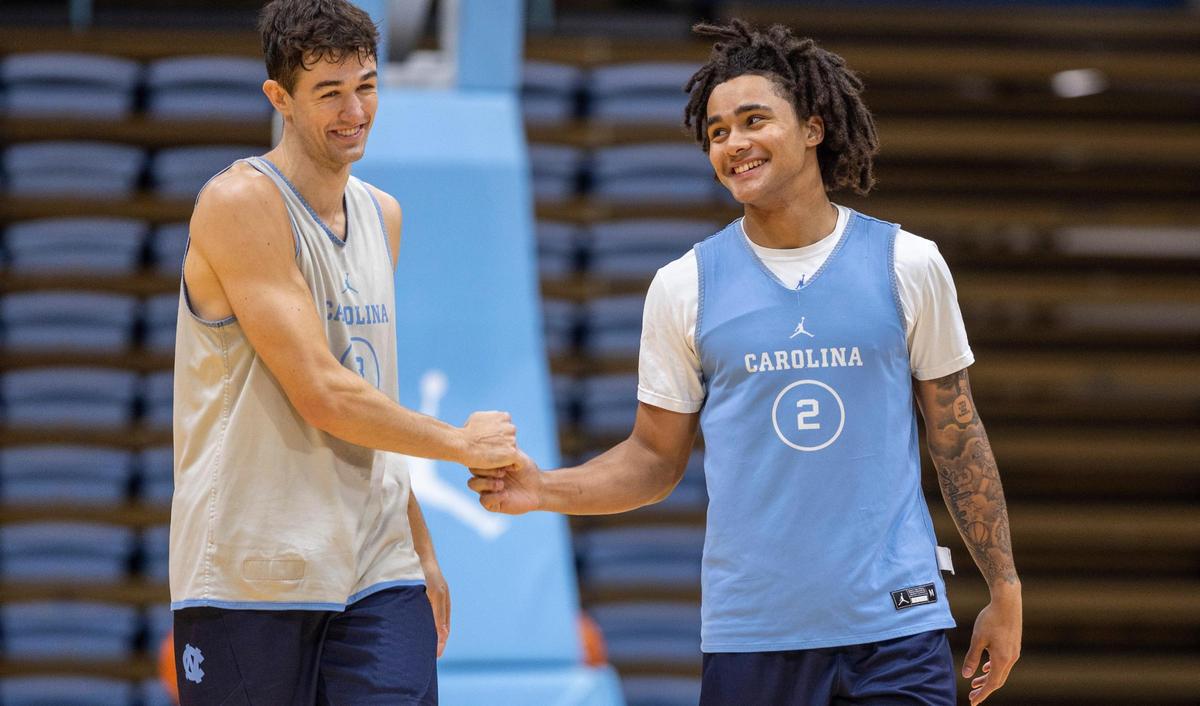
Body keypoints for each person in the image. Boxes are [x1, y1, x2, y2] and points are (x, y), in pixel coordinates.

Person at [468, 19, 1021, 706]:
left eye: (754, 120)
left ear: (813, 128)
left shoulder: (909, 264)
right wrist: (544, 489)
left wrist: (1004, 587)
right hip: (753, 637)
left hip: (896, 629)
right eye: (717, 132)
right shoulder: (684, 286)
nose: (733, 143)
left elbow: (957, 436)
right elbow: (653, 459)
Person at [169, 1, 518, 703]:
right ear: (279, 98)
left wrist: (418, 546)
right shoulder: (239, 203)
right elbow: (322, 393)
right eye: (329, 92)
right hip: (253, 571)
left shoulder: (383, 215)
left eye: (367, 85)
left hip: (377, 568)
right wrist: (462, 444)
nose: (355, 110)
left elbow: (370, 393)